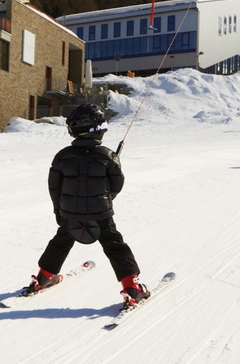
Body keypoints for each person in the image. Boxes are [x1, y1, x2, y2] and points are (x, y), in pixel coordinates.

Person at [27, 104, 149, 307]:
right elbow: (117, 183)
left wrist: (59, 210)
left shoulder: (62, 156)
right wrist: (104, 200)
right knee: (114, 245)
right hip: (100, 213)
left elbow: (54, 187)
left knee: (61, 241)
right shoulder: (108, 155)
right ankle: (132, 288)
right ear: (97, 130)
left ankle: (43, 278)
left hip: (69, 213)